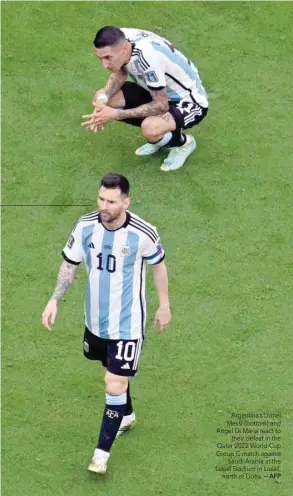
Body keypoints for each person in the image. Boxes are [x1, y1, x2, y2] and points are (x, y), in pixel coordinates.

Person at [42, 173, 171, 474]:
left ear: (126, 201)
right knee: (110, 374)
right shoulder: (85, 225)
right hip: (96, 323)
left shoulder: (143, 233)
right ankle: (125, 415)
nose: (104, 205)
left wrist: (164, 305)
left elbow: (159, 268)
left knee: (113, 382)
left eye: (111, 201)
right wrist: (53, 299)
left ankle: (101, 454)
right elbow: (69, 264)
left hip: (127, 325)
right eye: (101, 198)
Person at [82, 26, 208, 172]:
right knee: (102, 97)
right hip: (155, 91)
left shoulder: (148, 58)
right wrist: (103, 100)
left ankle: (184, 144)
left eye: (108, 58)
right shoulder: (122, 38)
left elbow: (162, 106)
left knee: (151, 128)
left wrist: (115, 114)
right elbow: (120, 72)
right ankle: (161, 138)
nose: (104, 65)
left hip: (188, 102)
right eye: (100, 58)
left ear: (123, 49)